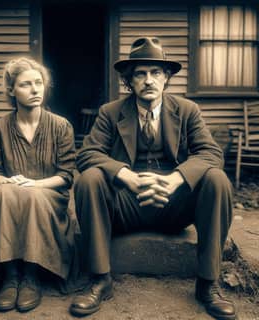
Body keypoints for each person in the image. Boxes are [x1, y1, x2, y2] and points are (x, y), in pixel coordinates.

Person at [69, 37, 236, 320]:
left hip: (174, 204)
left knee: (217, 179)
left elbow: (210, 153)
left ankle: (208, 283)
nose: (149, 80)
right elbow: (87, 154)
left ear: (166, 77)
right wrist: (128, 178)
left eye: (155, 72)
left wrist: (175, 179)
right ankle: (100, 279)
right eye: (140, 73)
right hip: (127, 205)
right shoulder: (111, 113)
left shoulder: (187, 110)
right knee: (89, 179)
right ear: (129, 81)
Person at [0, 57, 76, 313]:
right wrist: (8, 181)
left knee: (33, 196)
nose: (35, 90)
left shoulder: (61, 127)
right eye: (26, 84)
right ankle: (11, 276)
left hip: (49, 198)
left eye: (39, 83)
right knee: (3, 192)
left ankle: (31, 276)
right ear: (11, 90)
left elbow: (66, 176)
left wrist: (35, 184)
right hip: (10, 199)